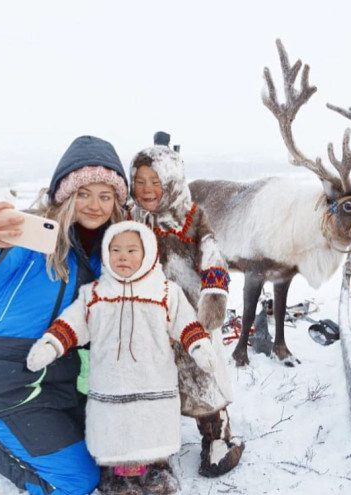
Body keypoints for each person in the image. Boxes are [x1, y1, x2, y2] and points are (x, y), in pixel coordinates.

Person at [0, 135, 128, 494]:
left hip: (64, 381)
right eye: (83, 193)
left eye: (105, 196)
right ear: (64, 195)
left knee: (109, 455)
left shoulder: (112, 254)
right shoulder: (32, 239)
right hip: (6, 382)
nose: (95, 205)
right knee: (76, 482)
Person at [26, 221, 222, 494]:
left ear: (149, 253)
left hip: (154, 381)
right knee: (115, 433)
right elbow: (72, 324)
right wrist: (50, 345)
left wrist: (199, 347)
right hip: (111, 384)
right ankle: (117, 475)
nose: (123, 256)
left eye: (132, 250)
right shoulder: (95, 294)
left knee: (151, 431)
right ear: (106, 253)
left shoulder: (165, 292)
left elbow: (186, 324)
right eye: (116, 250)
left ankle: (157, 468)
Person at [128, 143, 244, 477]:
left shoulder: (192, 217)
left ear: (173, 181)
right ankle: (154, 441)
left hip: (191, 316)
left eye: (156, 180)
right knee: (155, 379)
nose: (147, 189)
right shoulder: (132, 217)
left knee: (201, 377)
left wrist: (213, 299)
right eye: (140, 180)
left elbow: (212, 257)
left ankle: (217, 435)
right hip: (148, 315)